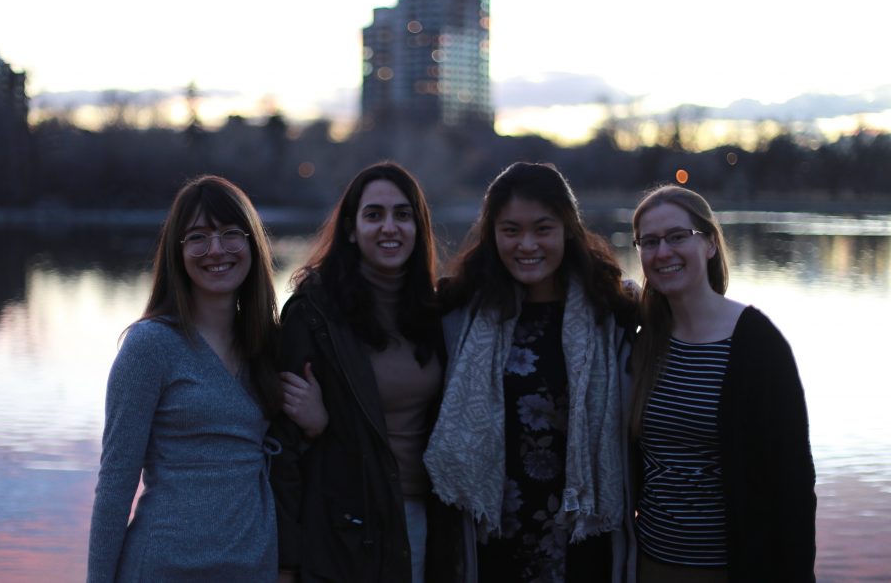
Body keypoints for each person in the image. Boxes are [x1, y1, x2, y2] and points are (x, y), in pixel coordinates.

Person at [426, 161, 639, 582]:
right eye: (511, 230)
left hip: (582, 532)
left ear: (567, 231)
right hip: (492, 534)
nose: (527, 244)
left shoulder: (612, 314)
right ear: (492, 235)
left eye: (543, 229)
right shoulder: (459, 315)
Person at [87, 175, 284, 582]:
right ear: (178, 252)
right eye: (198, 237)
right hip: (165, 568)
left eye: (231, 233)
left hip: (253, 568)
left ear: (252, 245)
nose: (216, 250)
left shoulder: (269, 346)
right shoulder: (150, 347)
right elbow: (115, 484)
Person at [270, 162, 459, 583]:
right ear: (352, 229)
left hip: (424, 519)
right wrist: (287, 563)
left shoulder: (438, 313)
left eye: (402, 215)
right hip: (346, 527)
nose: (389, 227)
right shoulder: (314, 316)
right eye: (374, 215)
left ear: (418, 228)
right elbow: (280, 450)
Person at [628, 184, 816, 582]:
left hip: (732, 567)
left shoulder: (756, 342)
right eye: (649, 242)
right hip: (649, 564)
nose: (663, 252)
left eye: (678, 237)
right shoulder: (643, 341)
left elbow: (794, 483)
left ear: (710, 243)